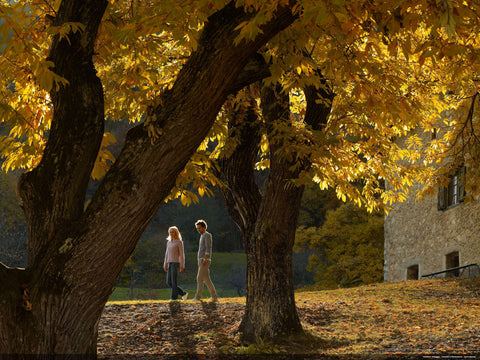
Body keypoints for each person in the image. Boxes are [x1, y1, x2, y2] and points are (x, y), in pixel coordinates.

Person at [192, 219, 218, 302]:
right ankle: (214, 297)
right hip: (201, 260)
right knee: (206, 280)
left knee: (199, 278)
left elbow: (208, 248)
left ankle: (197, 297)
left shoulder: (207, 235)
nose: (198, 230)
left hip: (205, 260)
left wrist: (205, 259)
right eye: (197, 228)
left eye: (199, 228)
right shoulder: (202, 235)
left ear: (204, 227)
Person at [163, 226, 188, 302]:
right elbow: (166, 254)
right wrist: (165, 264)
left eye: (173, 231)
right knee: (169, 282)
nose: (171, 233)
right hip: (170, 263)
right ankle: (183, 293)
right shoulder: (169, 242)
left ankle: (174, 298)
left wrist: (182, 265)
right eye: (170, 232)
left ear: (176, 233)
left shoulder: (179, 242)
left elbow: (181, 254)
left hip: (175, 263)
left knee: (174, 281)